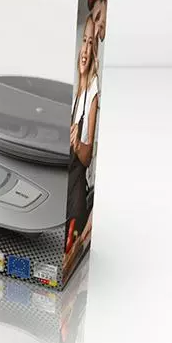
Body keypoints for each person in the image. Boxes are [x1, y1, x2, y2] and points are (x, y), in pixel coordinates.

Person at [64, 15, 99, 272]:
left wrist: (77, 145)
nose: (85, 50)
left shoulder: (93, 96)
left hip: (76, 198)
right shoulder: (77, 92)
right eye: (83, 42)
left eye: (90, 44)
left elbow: (86, 158)